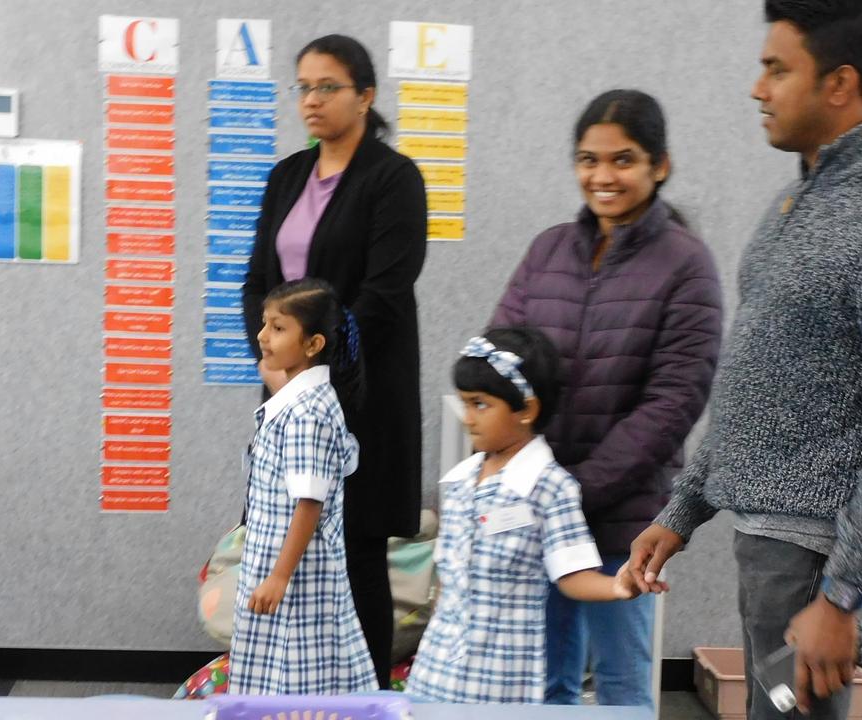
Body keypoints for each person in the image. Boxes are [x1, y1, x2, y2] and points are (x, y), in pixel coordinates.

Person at [625, 2, 862, 718]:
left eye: (776, 69)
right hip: (766, 543)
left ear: (838, 83)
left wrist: (841, 594)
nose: (757, 88)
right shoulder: (799, 200)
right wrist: (683, 508)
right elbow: (755, 373)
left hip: (810, 560)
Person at [490, 89, 722, 708]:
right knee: (542, 682)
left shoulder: (686, 264)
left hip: (625, 516)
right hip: (541, 506)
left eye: (623, 160)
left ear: (659, 166)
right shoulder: (548, 250)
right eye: (589, 159)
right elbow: (500, 359)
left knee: (621, 685)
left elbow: (673, 403)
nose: (603, 176)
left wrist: (574, 489)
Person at [241, 34, 427, 688]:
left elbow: (385, 292)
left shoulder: (393, 178)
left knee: (355, 555)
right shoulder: (285, 175)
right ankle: (285, 693)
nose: (312, 100)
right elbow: (256, 282)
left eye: (327, 87)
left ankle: (368, 696)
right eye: (304, 87)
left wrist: (314, 368)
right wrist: (272, 359)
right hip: (286, 394)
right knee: (281, 543)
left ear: (365, 96)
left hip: (362, 396)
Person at [406, 329, 638, 704]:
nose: (468, 418)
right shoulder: (461, 481)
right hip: (436, 666)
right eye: (465, 404)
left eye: (480, 405)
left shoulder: (550, 487)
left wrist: (619, 586)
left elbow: (572, 576)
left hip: (501, 676)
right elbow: (447, 584)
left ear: (526, 410)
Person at [230, 279, 375, 696]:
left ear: (312, 345)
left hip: (297, 575)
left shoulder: (307, 415)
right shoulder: (304, 401)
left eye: (277, 328)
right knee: (277, 670)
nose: (262, 336)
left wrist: (278, 576)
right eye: (264, 324)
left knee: (299, 678)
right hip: (281, 565)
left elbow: (308, 504)